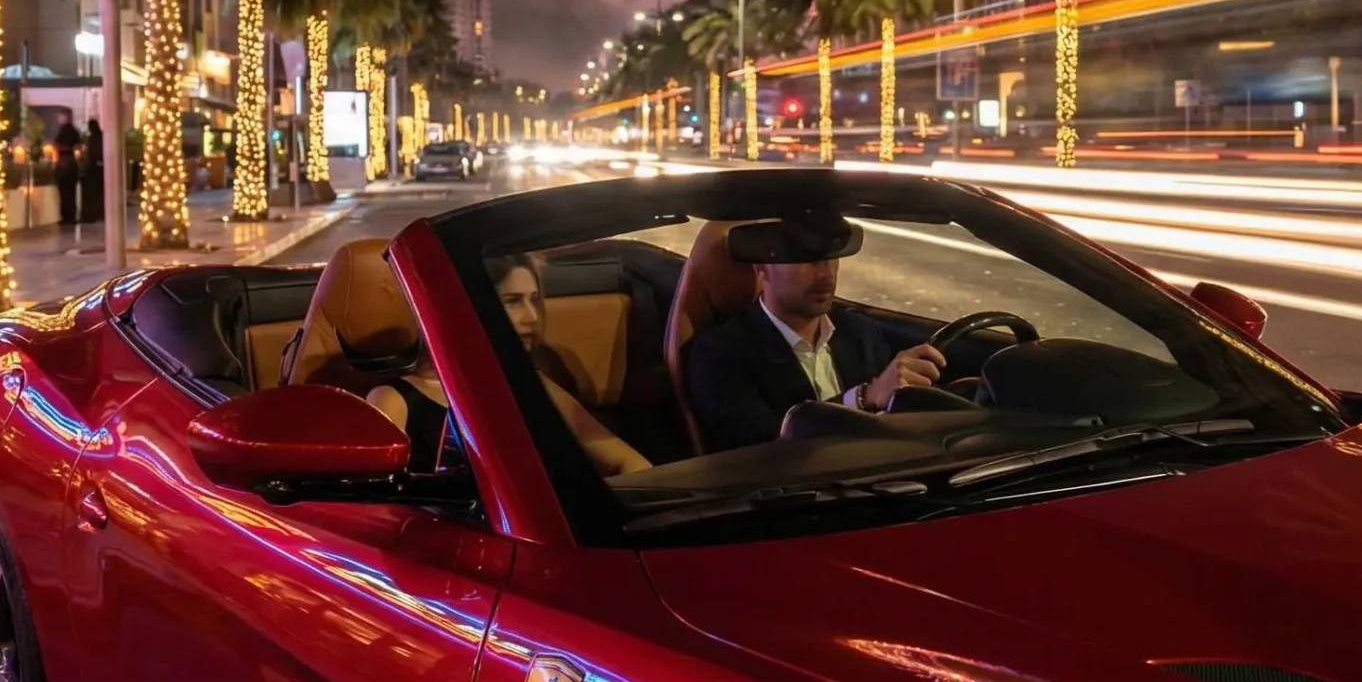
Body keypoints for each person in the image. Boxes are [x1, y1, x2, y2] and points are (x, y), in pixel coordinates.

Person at [680, 211, 946, 453]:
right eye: (807, 260)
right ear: (762, 269)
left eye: (832, 258)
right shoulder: (720, 351)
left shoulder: (860, 332)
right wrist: (865, 397)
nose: (826, 276)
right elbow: (755, 443)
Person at [369, 254, 650, 477]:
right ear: (463, 307)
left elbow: (627, 462)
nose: (531, 317)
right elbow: (379, 514)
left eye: (533, 300)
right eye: (513, 301)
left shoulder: (533, 384)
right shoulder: (394, 400)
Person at [52, 118, 83, 228]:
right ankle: (71, 215)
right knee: (71, 193)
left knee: (64, 193)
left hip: (63, 167)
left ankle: (65, 216)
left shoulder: (61, 136)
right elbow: (79, 146)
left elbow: (56, 144)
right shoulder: (74, 134)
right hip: (71, 166)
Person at [80, 122, 106, 228]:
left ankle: (91, 214)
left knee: (93, 192)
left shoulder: (93, 138)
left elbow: (90, 153)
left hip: (94, 168)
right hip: (99, 168)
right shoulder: (101, 137)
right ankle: (99, 213)